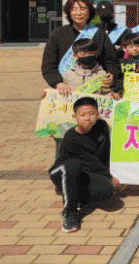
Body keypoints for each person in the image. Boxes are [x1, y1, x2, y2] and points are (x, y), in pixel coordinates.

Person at [49, 97, 120, 232]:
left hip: (83, 172)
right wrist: (109, 176)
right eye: (82, 115)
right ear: (74, 117)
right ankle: (69, 212)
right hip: (62, 171)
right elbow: (89, 161)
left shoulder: (102, 126)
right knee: (73, 164)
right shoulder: (71, 137)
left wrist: (110, 176)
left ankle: (73, 191)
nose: (87, 118)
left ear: (97, 114)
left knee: (107, 191)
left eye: (92, 113)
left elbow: (104, 155)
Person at [42, 0, 119, 96]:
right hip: (66, 90)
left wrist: (111, 75)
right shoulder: (58, 34)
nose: (79, 13)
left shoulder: (100, 34)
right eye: (74, 9)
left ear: (89, 11)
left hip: (95, 90)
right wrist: (58, 83)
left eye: (82, 9)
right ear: (69, 12)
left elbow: (111, 61)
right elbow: (48, 65)